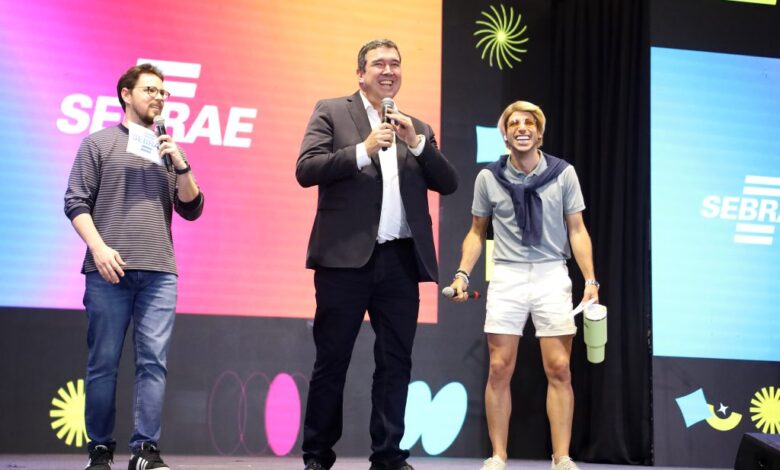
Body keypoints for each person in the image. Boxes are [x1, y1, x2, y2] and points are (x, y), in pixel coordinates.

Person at [296, 39, 458, 470]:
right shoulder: (332, 111)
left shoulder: (415, 126)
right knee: (332, 360)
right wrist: (361, 151)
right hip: (343, 261)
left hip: (400, 262)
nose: (388, 71)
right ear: (360, 73)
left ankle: (388, 456)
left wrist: (418, 143)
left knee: (395, 363)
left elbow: (448, 183)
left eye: (395, 64)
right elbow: (306, 169)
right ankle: (317, 456)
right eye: (379, 64)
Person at [64, 63, 204, 470]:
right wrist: (99, 249)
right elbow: (75, 202)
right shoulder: (99, 143)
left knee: (153, 363)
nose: (158, 97)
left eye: (163, 92)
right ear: (126, 94)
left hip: (159, 271)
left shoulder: (168, 149)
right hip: (108, 270)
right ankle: (100, 449)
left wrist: (180, 164)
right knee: (103, 363)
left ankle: (145, 449)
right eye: (150, 90)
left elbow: (192, 207)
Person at [446, 101, 598, 470]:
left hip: (551, 273)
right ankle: (498, 455)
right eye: (513, 123)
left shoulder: (564, 174)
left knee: (559, 367)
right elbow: (476, 232)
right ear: (505, 135)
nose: (521, 128)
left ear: (540, 133)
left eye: (529, 122)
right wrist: (462, 273)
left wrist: (590, 280)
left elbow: (577, 230)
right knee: (499, 367)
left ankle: (561, 457)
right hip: (507, 274)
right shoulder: (489, 177)